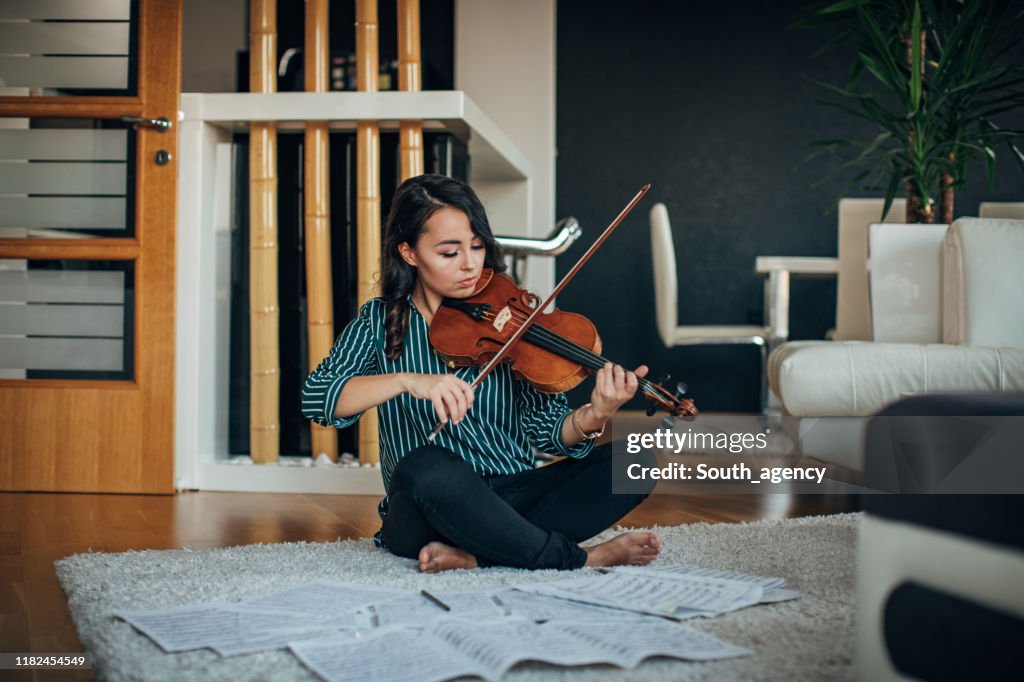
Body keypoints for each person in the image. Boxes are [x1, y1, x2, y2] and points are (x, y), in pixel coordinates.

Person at [302, 174, 659, 573]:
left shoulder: (511, 320)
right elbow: (319, 399)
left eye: (477, 247)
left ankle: (479, 556)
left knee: (637, 462)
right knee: (423, 466)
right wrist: (408, 381)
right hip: (427, 510)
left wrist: (596, 415)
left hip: (514, 495)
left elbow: (548, 430)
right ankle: (582, 558)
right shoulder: (380, 323)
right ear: (409, 253)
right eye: (449, 253)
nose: (471, 264)